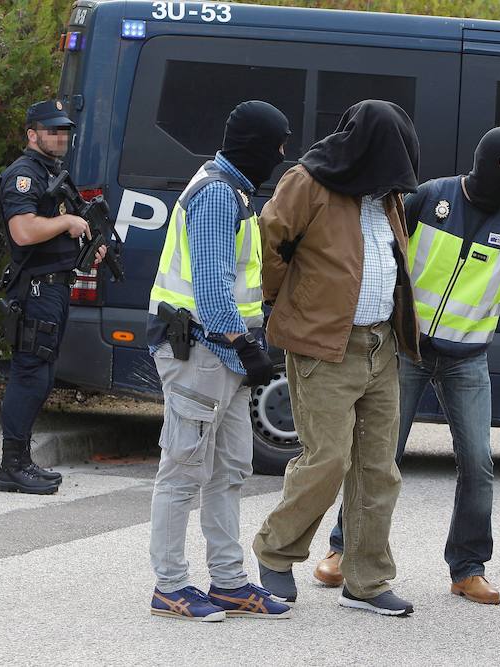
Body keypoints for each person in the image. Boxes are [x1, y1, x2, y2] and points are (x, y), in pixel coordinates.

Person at [314, 126, 500, 606]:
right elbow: (373, 254)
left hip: (468, 358)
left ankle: (468, 568)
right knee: (379, 455)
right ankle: (342, 549)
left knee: (478, 464)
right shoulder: (431, 197)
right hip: (409, 349)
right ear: (487, 161)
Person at [251, 100, 421, 617]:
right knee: (327, 459)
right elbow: (270, 243)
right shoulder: (308, 181)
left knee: (378, 469)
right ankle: (276, 554)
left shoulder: (386, 194)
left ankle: (366, 581)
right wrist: (288, 306)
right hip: (325, 345)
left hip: (380, 346)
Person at [146, 100, 293, 622]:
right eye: (278, 145)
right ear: (256, 144)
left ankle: (229, 582)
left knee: (229, 469)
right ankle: (170, 585)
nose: (281, 155)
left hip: (221, 354)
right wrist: (246, 345)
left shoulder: (232, 191)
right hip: (203, 350)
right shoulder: (215, 196)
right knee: (183, 470)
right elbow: (211, 292)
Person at [0, 100, 106, 495]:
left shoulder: (51, 173)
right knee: (29, 375)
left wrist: (86, 246)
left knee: (41, 376)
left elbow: (54, 235)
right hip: (35, 289)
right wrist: (68, 222)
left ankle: (22, 461)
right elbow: (24, 232)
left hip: (54, 287)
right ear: (31, 134)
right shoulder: (24, 175)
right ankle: (11, 467)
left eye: (64, 130)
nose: (61, 136)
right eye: (52, 129)